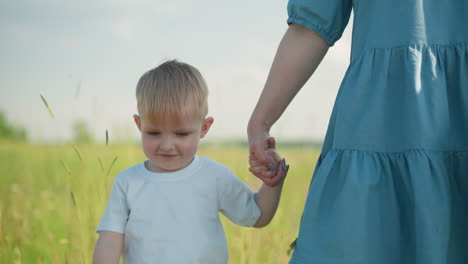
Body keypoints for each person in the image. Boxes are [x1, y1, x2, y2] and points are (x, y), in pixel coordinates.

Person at [248, 0, 468, 263]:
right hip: (382, 125)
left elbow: (311, 27)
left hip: (381, 120)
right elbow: (311, 26)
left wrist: (261, 123)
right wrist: (261, 122)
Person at [93, 60, 288, 264]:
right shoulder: (127, 183)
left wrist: (273, 183)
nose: (167, 145)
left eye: (181, 133)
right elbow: (110, 240)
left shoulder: (214, 176)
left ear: (204, 128)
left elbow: (257, 216)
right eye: (153, 132)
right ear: (139, 124)